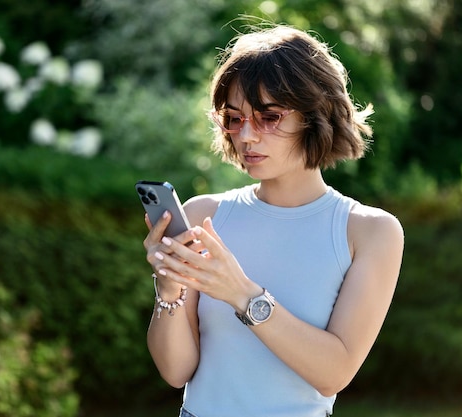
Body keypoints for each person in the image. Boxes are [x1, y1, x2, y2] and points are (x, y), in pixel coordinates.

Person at [142, 24, 404, 417]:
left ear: (316, 116)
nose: (246, 136)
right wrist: (169, 292)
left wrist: (240, 292)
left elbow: (333, 373)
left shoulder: (369, 232)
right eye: (234, 117)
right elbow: (176, 371)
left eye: (269, 116)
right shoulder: (202, 216)